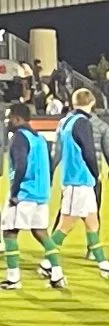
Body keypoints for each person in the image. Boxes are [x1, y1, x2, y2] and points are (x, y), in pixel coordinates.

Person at [52, 89, 109, 276]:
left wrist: (53, 170)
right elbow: (93, 150)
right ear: (92, 102)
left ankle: (104, 266)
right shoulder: (87, 123)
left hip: (77, 178)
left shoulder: (65, 121)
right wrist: (102, 171)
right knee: (66, 224)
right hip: (80, 179)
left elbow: (57, 150)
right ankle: (47, 262)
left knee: (92, 222)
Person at [3, 103, 67, 291]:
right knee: (41, 232)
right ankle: (57, 273)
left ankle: (13, 279)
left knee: (9, 232)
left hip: (25, 193)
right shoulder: (38, 138)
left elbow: (21, 166)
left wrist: (14, 194)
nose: (7, 121)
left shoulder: (19, 138)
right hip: (41, 194)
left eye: (9, 118)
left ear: (17, 118)